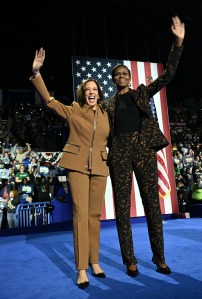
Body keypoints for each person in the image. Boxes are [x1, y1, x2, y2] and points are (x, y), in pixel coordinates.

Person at [103, 15, 185, 276]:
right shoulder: (107, 105)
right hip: (119, 152)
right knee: (123, 210)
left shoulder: (141, 92)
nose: (122, 77)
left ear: (129, 77)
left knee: (152, 206)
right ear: (114, 80)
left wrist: (178, 42)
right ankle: (130, 260)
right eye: (118, 75)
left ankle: (159, 258)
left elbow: (168, 76)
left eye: (125, 73)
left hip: (143, 149)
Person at [30, 48, 110, 289]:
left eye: (95, 90)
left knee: (95, 216)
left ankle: (94, 262)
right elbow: (50, 102)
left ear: (100, 93)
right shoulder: (74, 110)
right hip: (76, 165)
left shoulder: (108, 114)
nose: (91, 93)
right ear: (82, 93)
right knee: (80, 214)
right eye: (88, 90)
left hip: (100, 166)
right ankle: (82, 268)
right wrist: (36, 72)